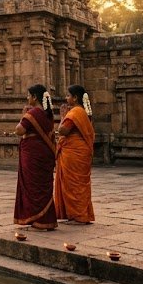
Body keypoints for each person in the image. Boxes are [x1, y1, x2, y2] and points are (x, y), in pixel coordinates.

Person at [13, 84, 57, 230]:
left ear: (34, 97)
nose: (27, 98)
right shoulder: (47, 113)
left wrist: (22, 116)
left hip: (33, 154)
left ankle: (38, 219)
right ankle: (45, 219)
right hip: (45, 154)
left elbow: (19, 130)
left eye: (28, 95)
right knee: (42, 186)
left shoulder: (33, 114)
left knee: (33, 186)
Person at [55, 84, 96, 224]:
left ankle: (78, 216)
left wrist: (62, 117)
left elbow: (63, 130)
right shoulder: (83, 112)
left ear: (75, 97)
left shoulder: (75, 113)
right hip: (80, 152)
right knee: (80, 185)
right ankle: (82, 214)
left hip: (74, 153)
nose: (66, 98)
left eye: (68, 95)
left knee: (73, 185)